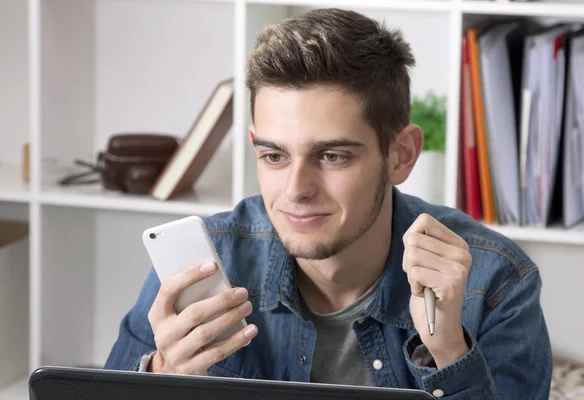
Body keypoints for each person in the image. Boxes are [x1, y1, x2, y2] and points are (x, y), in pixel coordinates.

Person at [104, 8, 553, 399]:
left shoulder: (493, 283)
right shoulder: (203, 264)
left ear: (401, 156)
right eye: (275, 156)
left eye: (332, 156)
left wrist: (449, 352)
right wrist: (163, 378)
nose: (296, 189)